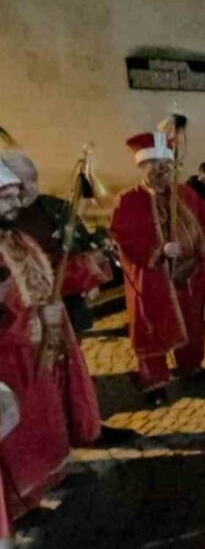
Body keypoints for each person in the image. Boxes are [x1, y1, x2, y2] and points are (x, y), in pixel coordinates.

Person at [5, 152, 136, 446]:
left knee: (68, 376)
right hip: (23, 335)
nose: (27, 191)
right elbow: (25, 283)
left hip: (59, 313)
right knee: (37, 392)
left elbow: (54, 266)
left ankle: (81, 427)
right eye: (17, 188)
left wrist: (93, 263)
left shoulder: (47, 211)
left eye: (31, 181)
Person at [0, 156, 102, 530]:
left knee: (47, 417)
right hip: (10, 357)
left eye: (16, 194)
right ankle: (17, 506)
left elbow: (45, 281)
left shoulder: (17, 237)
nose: (16, 203)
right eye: (6, 197)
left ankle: (48, 480)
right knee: (19, 432)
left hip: (39, 348)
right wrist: (32, 319)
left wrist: (87, 269)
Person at [110, 132, 205, 406]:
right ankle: (154, 382)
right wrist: (158, 250)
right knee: (152, 327)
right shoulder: (128, 200)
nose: (163, 169)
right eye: (156, 163)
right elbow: (122, 237)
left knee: (192, 321)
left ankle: (191, 366)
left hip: (191, 273)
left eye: (166, 162)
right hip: (154, 277)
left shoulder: (185, 193)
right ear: (142, 166)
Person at [6, 153, 112, 334]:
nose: (27, 187)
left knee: (70, 352)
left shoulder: (57, 207)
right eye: (19, 183)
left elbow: (82, 244)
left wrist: (91, 280)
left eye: (31, 179)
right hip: (26, 310)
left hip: (68, 300)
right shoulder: (5, 217)